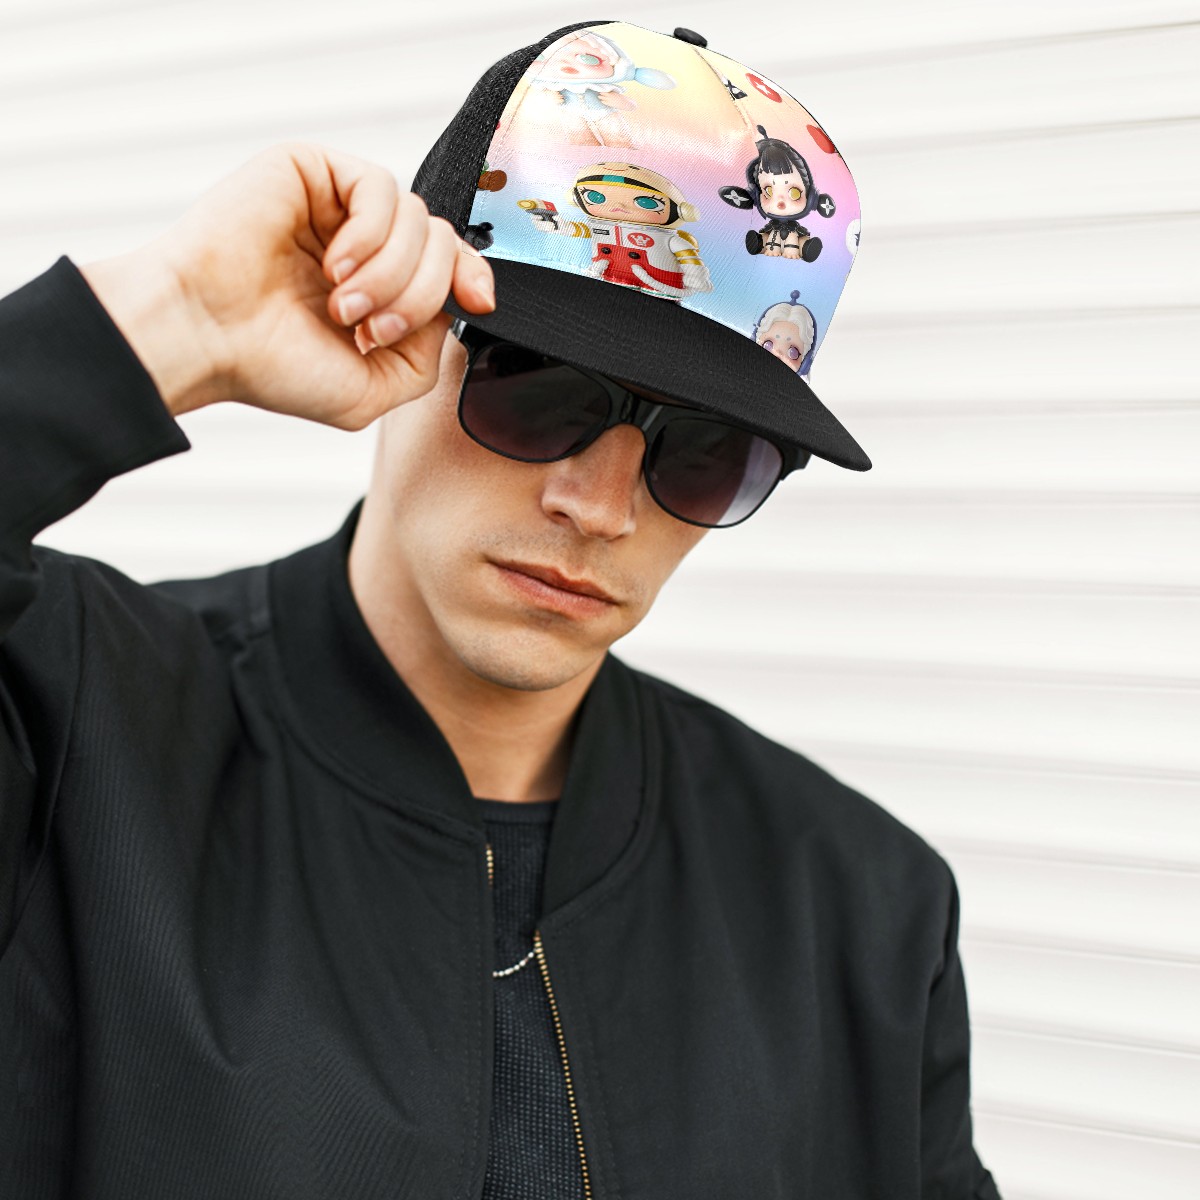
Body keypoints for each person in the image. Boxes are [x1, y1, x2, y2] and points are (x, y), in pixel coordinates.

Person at [0, 20, 1002, 1200]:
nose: (602, 506)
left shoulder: (858, 908)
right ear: (396, 329)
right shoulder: (68, 726)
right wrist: (168, 318)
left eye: (708, 453)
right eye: (539, 388)